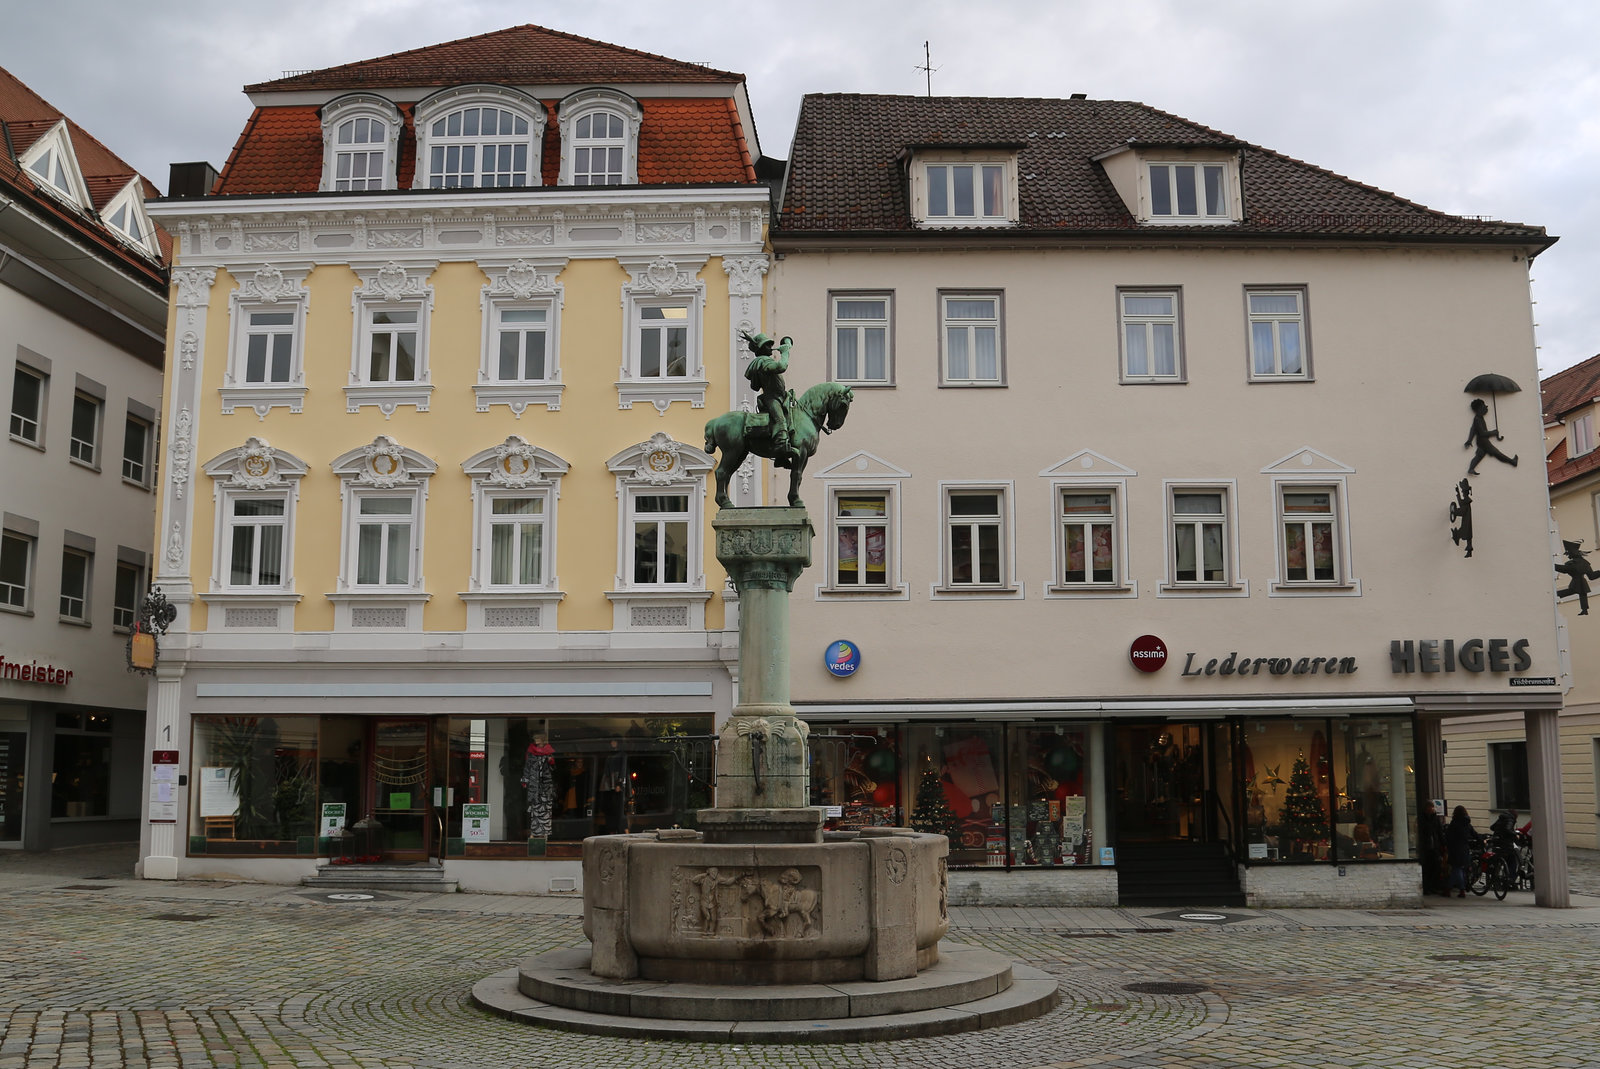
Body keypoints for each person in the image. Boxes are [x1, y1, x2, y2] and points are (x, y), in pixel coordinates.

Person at [1464, 398, 1517, 474]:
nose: (1486, 407)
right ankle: (1512, 462)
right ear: (1479, 409)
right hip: (1483, 441)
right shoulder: (1477, 419)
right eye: (1484, 406)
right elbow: (1482, 433)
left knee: (1479, 456)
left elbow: (1473, 430)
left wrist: (1469, 440)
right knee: (1497, 453)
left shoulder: (1479, 418)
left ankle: (1471, 469)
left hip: (1481, 442)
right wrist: (1493, 432)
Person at [1444, 805, 1478, 898]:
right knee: (1459, 869)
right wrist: (1482, 841)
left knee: (1456, 869)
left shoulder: (1454, 824)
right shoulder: (1467, 824)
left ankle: (1458, 889)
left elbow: (1448, 836)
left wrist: (1446, 845)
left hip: (1455, 849)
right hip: (1464, 849)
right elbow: (1475, 834)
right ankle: (1450, 889)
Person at [1417, 801, 1447, 896]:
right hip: (1425, 847)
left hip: (1434, 846)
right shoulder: (1422, 818)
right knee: (1426, 868)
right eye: (1430, 808)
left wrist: (1443, 844)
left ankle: (1433, 886)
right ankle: (1427, 888)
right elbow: (1422, 831)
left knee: (1436, 867)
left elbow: (1439, 832)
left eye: (1432, 807)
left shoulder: (1435, 818)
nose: (1432, 809)